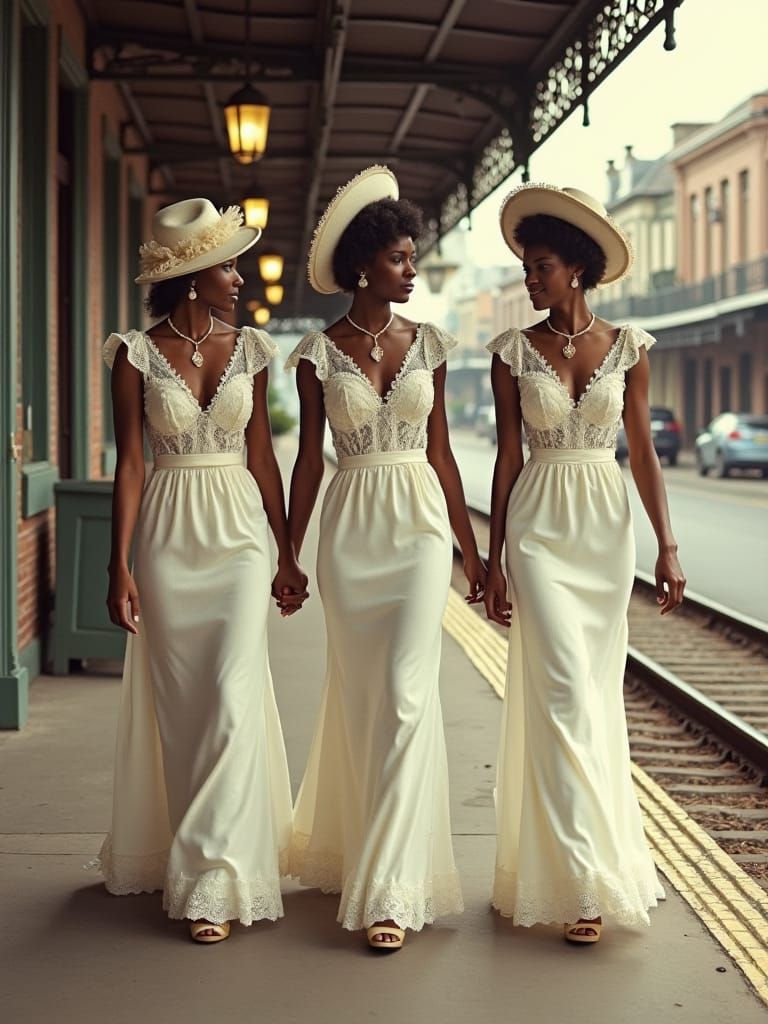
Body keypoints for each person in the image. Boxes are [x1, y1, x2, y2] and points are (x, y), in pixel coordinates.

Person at [285, 166, 485, 951]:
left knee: (405, 698)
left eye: (413, 258)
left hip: (419, 528)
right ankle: (363, 848)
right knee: (366, 700)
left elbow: (442, 456)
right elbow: (307, 461)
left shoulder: (429, 344)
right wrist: (288, 556)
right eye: (402, 257)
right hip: (349, 530)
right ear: (366, 264)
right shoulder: (316, 353)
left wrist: (477, 553)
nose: (411, 270)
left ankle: (392, 893)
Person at [100, 198, 307, 944]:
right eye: (227, 265)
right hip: (167, 530)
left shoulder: (251, 350)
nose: (239, 277)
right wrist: (118, 565)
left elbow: (264, 458)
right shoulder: (133, 353)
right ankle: (198, 859)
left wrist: (286, 550)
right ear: (191, 277)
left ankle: (215, 880)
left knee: (228, 695)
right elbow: (129, 464)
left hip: (242, 533)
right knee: (186, 709)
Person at [483, 184, 685, 944]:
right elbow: (506, 460)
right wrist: (497, 556)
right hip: (538, 523)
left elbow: (642, 452)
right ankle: (581, 885)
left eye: (538, 267)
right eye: (526, 268)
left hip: (605, 529)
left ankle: (592, 861)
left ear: (576, 270)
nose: (528, 280)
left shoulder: (628, 348)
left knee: (594, 697)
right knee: (562, 690)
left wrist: (666, 544)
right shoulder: (511, 353)